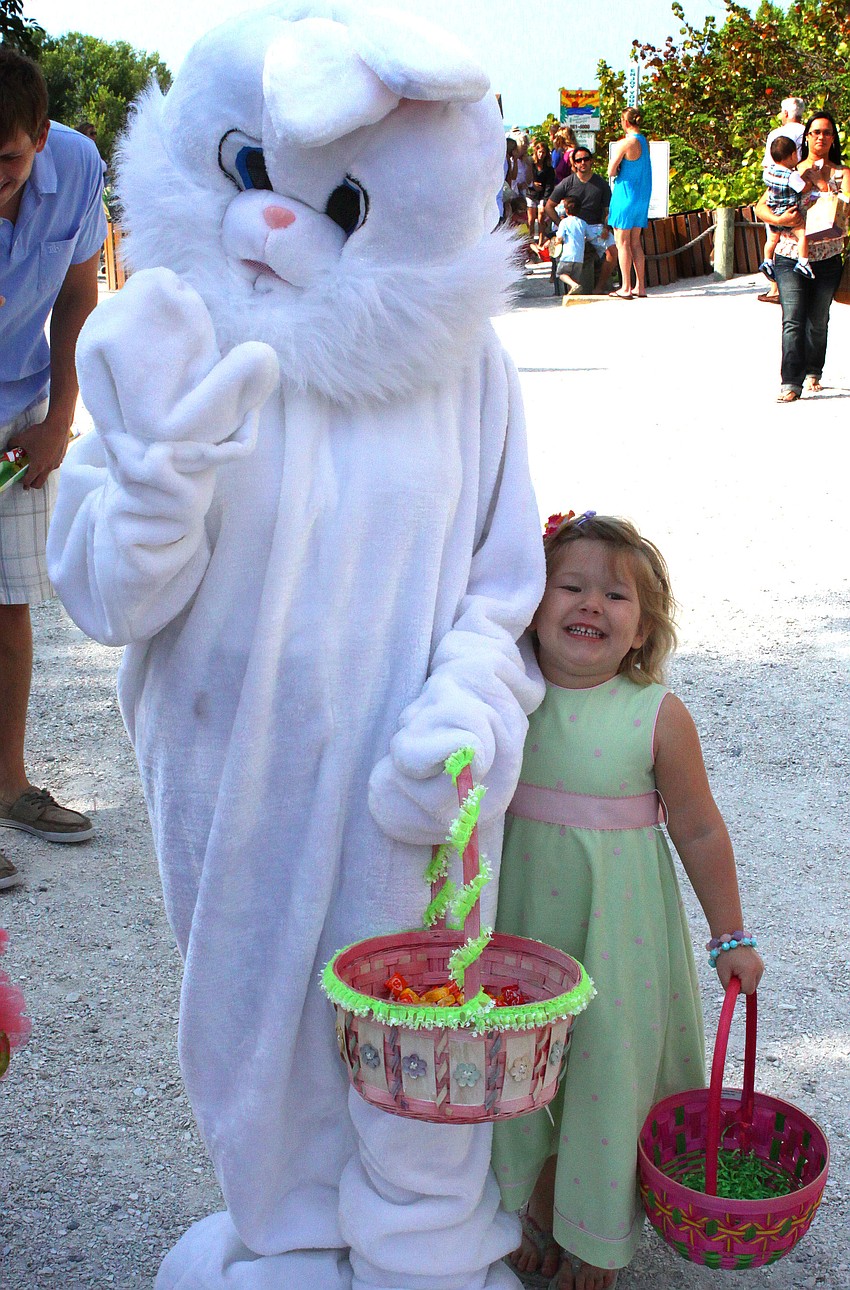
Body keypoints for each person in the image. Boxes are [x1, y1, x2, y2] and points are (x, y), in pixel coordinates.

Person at [492, 511, 764, 1290]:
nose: (591, 605)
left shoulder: (656, 716)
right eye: (569, 586)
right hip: (520, 927)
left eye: (616, 596)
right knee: (521, 1065)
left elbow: (703, 831)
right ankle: (534, 1203)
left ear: (643, 630)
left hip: (618, 936)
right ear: (530, 604)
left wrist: (729, 937)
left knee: (607, 1066)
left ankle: (596, 1231)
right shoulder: (504, 697)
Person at [0, 48, 104, 889]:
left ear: (40, 137)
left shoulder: (76, 165)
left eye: (5, 161)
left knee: (7, 608)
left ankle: (10, 787)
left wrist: (60, 415)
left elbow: (77, 294)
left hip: (20, 409)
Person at [753, 110, 850, 403]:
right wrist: (781, 220)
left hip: (829, 254)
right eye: (815, 132)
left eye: (827, 132)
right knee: (793, 317)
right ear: (806, 137)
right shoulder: (790, 170)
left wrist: (821, 183)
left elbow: (845, 205)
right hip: (790, 253)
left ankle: (813, 371)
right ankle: (790, 382)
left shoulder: (843, 173)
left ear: (834, 139)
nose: (821, 137)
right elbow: (760, 207)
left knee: (818, 319)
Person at [544, 149, 616, 294]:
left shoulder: (601, 184)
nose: (583, 162)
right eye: (578, 160)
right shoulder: (567, 183)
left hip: (595, 227)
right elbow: (549, 206)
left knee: (613, 251)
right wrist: (561, 223)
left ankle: (600, 287)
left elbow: (608, 211)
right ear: (574, 163)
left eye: (586, 159)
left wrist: (607, 227)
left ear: (591, 161)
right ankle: (568, 286)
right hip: (573, 227)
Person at [758, 134, 827, 282]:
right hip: (789, 211)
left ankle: (767, 261)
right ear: (792, 155)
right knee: (803, 235)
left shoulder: (768, 172)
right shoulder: (791, 175)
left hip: (774, 209)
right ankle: (803, 262)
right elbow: (803, 188)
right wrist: (810, 180)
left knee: (772, 240)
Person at [759, 96, 805, 304]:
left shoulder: (776, 135)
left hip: (779, 195)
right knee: (800, 236)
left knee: (775, 239)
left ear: (786, 113)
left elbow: (769, 165)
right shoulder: (808, 131)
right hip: (799, 185)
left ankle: (775, 286)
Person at [607, 107, 653, 299]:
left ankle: (625, 286)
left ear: (625, 122)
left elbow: (611, 170)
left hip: (625, 195)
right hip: (641, 196)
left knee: (622, 242)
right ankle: (640, 286)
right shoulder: (644, 141)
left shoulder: (625, 143)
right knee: (635, 242)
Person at [553, 195, 587, 295]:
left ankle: (574, 286)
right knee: (575, 278)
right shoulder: (583, 223)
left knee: (561, 274)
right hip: (579, 257)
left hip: (567, 255)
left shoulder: (564, 222)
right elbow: (591, 236)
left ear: (566, 210)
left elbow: (559, 237)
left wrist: (556, 242)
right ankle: (573, 293)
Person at [526, 139, 557, 247]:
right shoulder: (531, 164)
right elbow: (527, 178)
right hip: (531, 193)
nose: (541, 154)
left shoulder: (549, 169)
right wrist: (532, 184)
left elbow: (549, 186)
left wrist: (544, 201)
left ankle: (540, 241)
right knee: (530, 219)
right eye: (539, 152)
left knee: (541, 218)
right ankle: (529, 241)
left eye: (543, 152)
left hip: (543, 195)